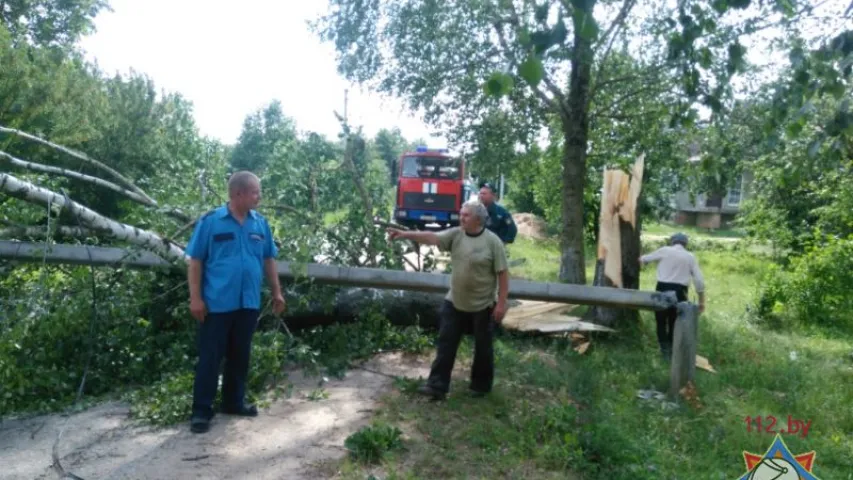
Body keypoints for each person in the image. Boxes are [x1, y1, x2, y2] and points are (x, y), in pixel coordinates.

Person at [185, 170, 286, 434]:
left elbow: (268, 260)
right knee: (210, 357)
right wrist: (195, 298)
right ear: (238, 193)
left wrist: (277, 292)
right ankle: (201, 412)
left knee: (240, 356)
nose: (259, 197)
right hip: (217, 303)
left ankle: (233, 402)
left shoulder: (259, 223)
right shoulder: (210, 222)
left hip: (248, 302)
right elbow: (195, 261)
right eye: (255, 192)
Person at [387, 199, 509, 400]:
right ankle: (437, 386)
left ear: (478, 219)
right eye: (461, 214)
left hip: (483, 304)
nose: (461, 217)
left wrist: (501, 303)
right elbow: (432, 237)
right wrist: (405, 234)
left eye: (466, 215)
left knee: (483, 348)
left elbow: (503, 274)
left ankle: (480, 387)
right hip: (455, 301)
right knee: (446, 344)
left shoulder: (492, 242)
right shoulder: (456, 235)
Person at [639, 232, 705, 362]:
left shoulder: (665, 250)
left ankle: (664, 351)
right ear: (686, 244)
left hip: (662, 289)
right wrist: (702, 300)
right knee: (675, 321)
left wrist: (641, 259)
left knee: (661, 321)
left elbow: (644, 259)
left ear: (672, 242)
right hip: (680, 291)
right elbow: (699, 280)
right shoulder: (690, 257)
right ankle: (673, 348)